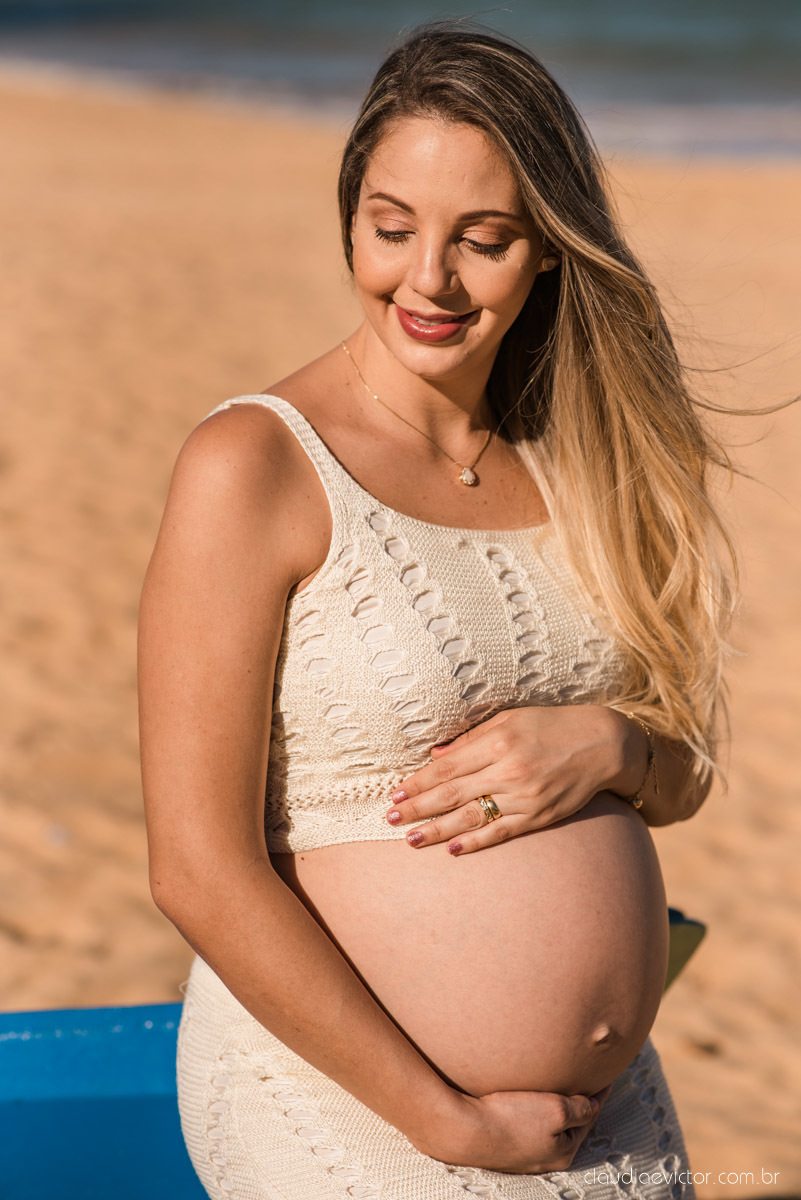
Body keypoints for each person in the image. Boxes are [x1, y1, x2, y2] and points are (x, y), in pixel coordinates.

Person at [138, 21, 735, 1199]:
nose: (429, 281)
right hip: (348, 1106)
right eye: (392, 228)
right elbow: (197, 869)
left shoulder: (588, 458)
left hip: (611, 1121)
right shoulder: (255, 464)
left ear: (553, 249)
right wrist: (446, 1121)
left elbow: (688, 776)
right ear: (351, 218)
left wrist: (614, 746)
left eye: (485, 240)